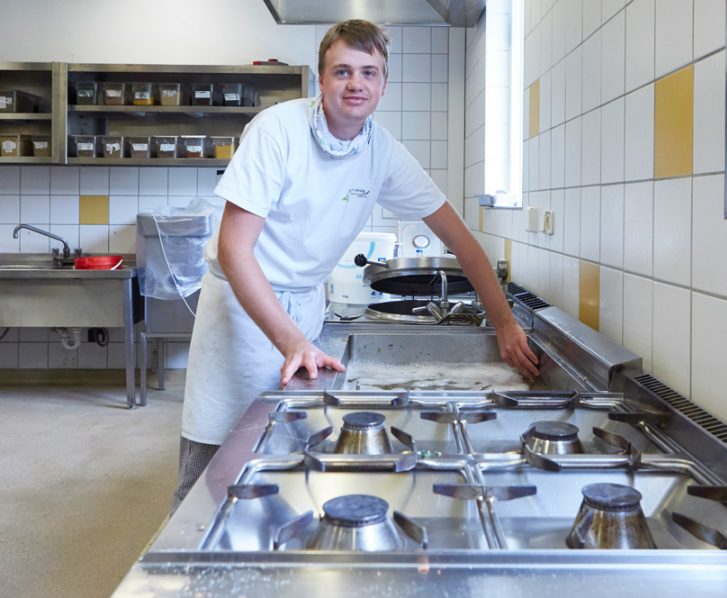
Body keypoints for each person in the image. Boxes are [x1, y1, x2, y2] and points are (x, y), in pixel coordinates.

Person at [171, 19, 539, 511]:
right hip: (241, 309)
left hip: (303, 309)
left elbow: (462, 242)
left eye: (369, 72)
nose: (355, 83)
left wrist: (504, 322)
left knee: (287, 460)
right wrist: (291, 341)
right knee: (213, 465)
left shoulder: (381, 151)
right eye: (342, 70)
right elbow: (237, 251)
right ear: (320, 80)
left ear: (383, 85)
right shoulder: (276, 130)